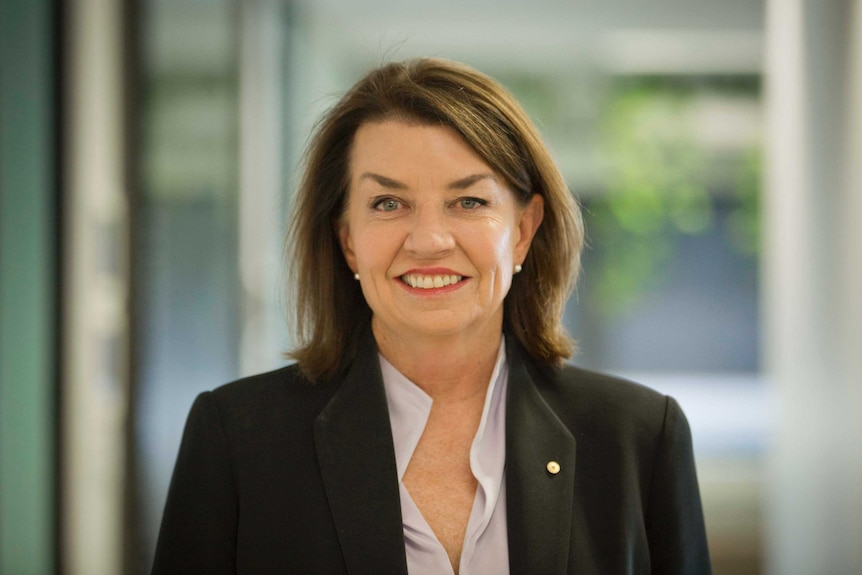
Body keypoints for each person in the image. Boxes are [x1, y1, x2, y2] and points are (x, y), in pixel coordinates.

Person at [151, 58, 711, 574]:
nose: (428, 241)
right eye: (387, 203)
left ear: (522, 231)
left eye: (469, 201)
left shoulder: (638, 439)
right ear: (348, 241)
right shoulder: (236, 439)